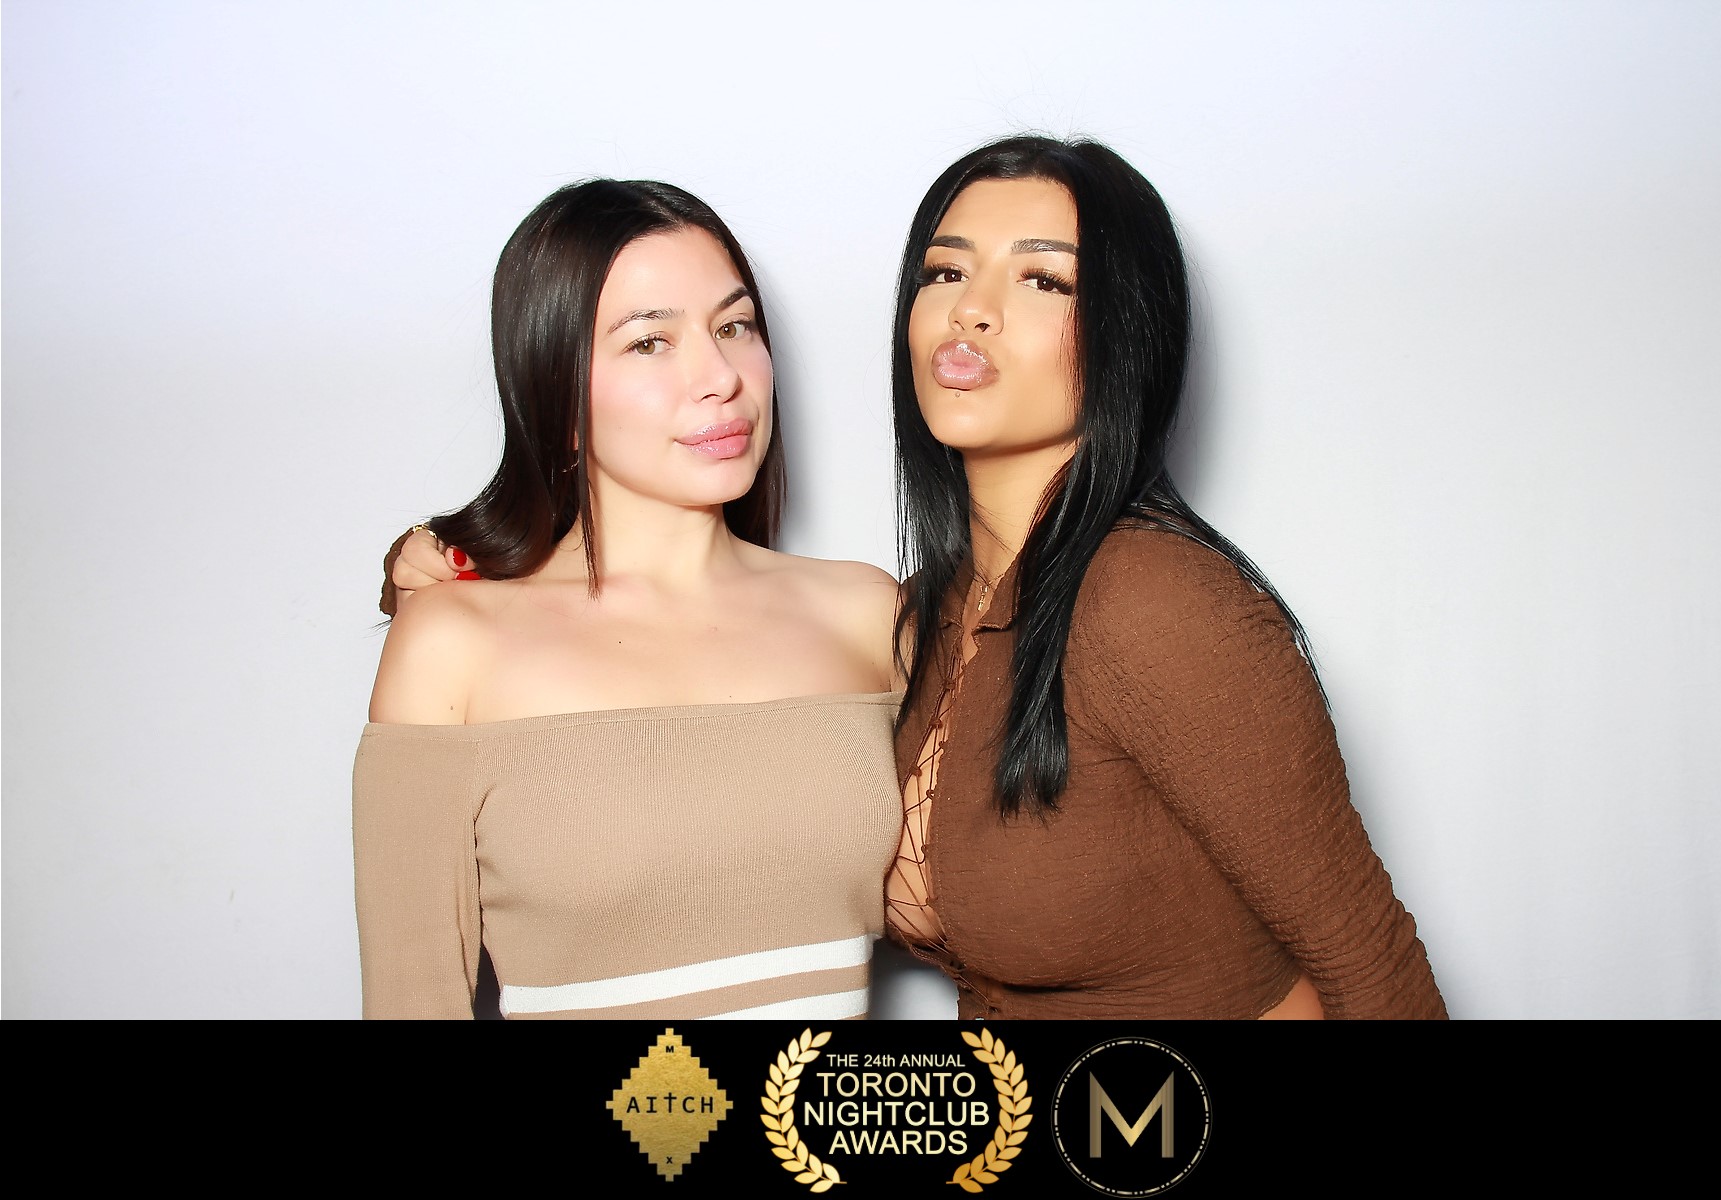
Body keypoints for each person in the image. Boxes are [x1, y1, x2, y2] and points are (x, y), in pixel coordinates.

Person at [392, 137, 1446, 1020]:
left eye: (1043, 279)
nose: (971, 312)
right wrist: (458, 557)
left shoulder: (1141, 602)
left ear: (1125, 335)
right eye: (946, 273)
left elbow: (1371, 963)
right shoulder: (926, 617)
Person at [356, 179, 903, 1019]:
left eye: (734, 327)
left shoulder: (867, 613)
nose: (719, 377)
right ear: (556, 397)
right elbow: (411, 1003)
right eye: (650, 342)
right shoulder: (452, 643)